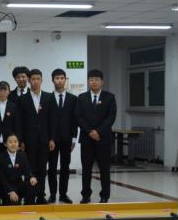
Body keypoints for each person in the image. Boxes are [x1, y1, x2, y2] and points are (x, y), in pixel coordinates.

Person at [75, 69, 116, 204]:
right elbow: (78, 117)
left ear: (102, 82)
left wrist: (98, 132)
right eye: (91, 79)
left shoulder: (109, 97)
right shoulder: (82, 97)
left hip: (103, 139)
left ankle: (105, 195)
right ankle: (85, 195)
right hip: (86, 139)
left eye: (96, 79)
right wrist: (90, 132)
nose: (94, 82)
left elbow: (111, 117)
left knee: (104, 168)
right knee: (86, 169)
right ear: (88, 81)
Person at [18, 69, 56, 204]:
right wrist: (21, 140)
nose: (35, 81)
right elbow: (20, 122)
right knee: (30, 169)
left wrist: (52, 138)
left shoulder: (49, 97)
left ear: (41, 80)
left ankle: (41, 195)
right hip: (28, 140)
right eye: (33, 79)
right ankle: (30, 196)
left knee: (42, 169)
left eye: (38, 79)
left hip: (44, 140)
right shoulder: (22, 99)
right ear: (29, 81)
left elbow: (52, 120)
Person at [48, 69, 78, 204]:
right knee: (52, 167)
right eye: (57, 78)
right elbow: (46, 120)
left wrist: (74, 139)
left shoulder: (73, 99)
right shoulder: (47, 98)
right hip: (52, 140)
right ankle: (52, 194)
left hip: (67, 139)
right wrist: (49, 138)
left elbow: (74, 120)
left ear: (65, 80)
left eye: (61, 78)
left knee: (65, 167)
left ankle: (63, 194)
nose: (59, 80)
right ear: (52, 80)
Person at [0, 133, 37, 205]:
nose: (13, 144)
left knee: (31, 185)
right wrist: (10, 191)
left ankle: (28, 208)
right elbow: (1, 179)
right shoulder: (0, 157)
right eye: (10, 142)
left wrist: (31, 177)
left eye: (15, 142)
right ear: (5, 144)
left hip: (18, 185)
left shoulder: (22, 155)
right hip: (6, 187)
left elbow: (27, 170)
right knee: (13, 203)